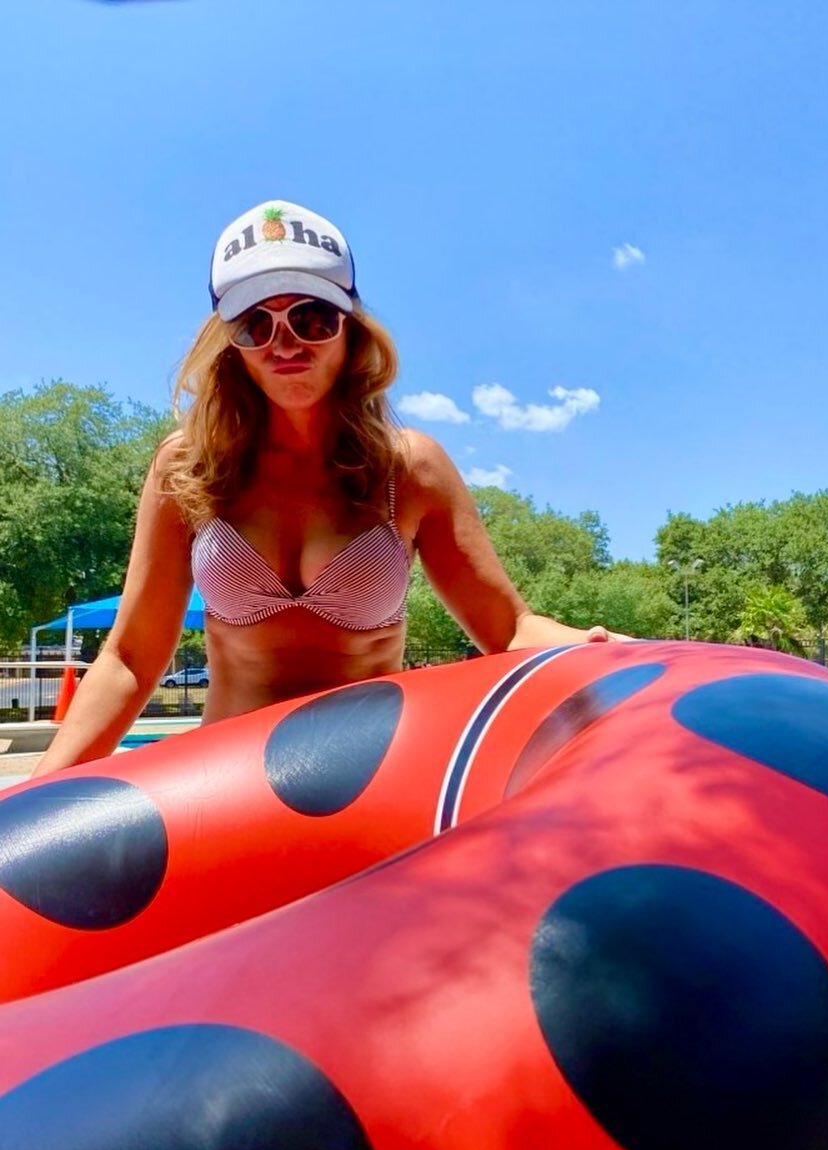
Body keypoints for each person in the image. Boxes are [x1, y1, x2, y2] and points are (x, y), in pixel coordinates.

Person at [35, 200, 630, 776]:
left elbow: (508, 629)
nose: (284, 342)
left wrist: (609, 652)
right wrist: (30, 804)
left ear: (351, 331)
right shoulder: (190, 470)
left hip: (371, 789)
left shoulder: (409, 470)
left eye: (311, 318)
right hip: (223, 791)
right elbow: (131, 658)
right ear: (230, 346)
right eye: (254, 324)